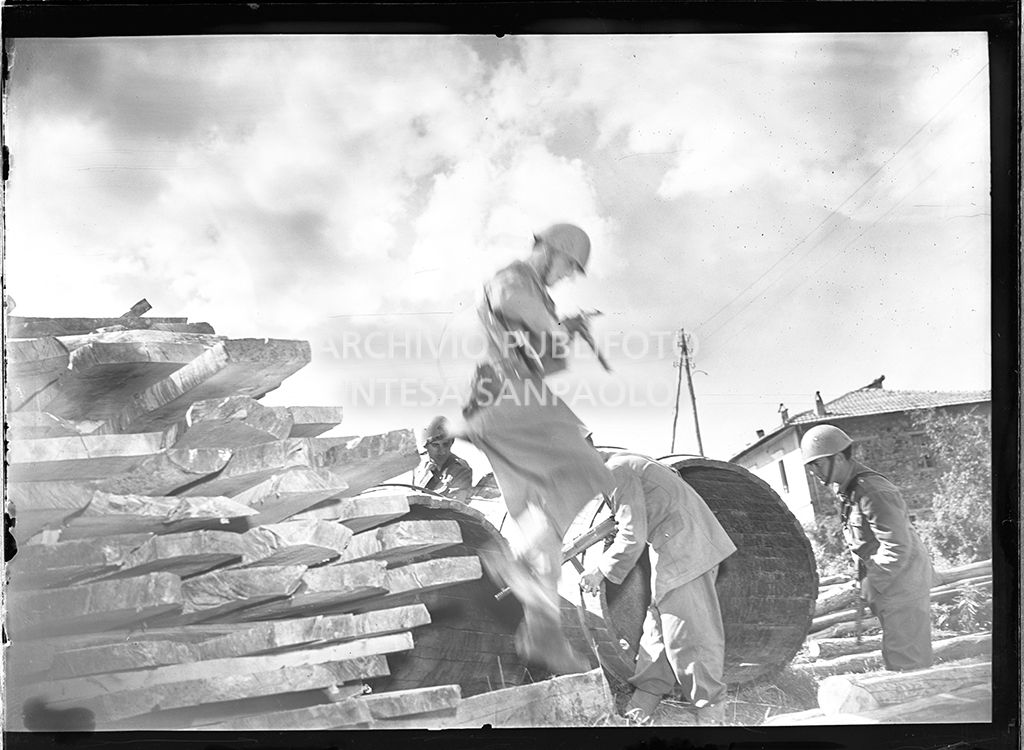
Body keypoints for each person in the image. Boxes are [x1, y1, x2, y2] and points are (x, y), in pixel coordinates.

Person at [455, 222, 615, 675]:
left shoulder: (536, 292)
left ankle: (541, 627)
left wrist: (568, 329)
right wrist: (557, 325)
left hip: (498, 408)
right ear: (551, 249)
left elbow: (542, 355)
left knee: (533, 514)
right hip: (505, 396)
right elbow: (511, 300)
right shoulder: (514, 276)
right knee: (583, 465)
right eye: (569, 265)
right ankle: (520, 569)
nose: (567, 277)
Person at [579, 448, 737, 724]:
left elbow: (631, 536)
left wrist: (599, 570)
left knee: (688, 636)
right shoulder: (623, 464)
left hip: (686, 547)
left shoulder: (616, 470)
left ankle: (712, 715)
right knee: (658, 633)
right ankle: (640, 710)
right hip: (673, 546)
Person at [800, 424, 933, 671]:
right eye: (810, 466)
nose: (813, 472)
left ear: (838, 458)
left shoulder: (872, 491)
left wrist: (874, 580)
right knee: (903, 659)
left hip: (904, 585)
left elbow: (897, 546)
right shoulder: (849, 490)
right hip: (892, 585)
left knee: (907, 663)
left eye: (817, 464)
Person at [412, 416, 473, 500]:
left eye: (446, 444)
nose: (442, 451)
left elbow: (455, 505)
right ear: (426, 446)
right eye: (435, 445)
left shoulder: (461, 469)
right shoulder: (418, 464)